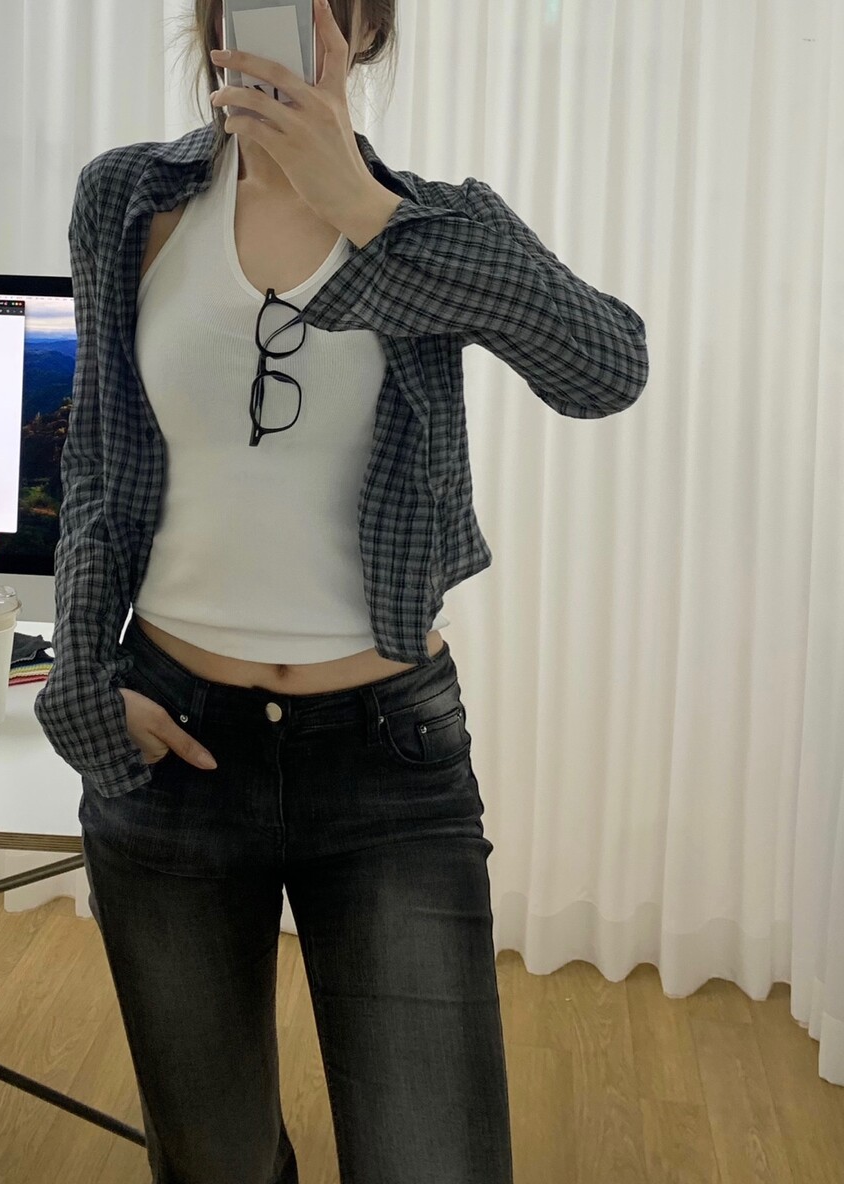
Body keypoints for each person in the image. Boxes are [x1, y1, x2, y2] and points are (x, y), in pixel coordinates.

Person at [33, 1, 649, 1181]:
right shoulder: (130, 201)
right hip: (173, 743)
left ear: (364, 30)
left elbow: (606, 369)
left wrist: (362, 207)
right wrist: (80, 682)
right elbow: (97, 465)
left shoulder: (430, 225)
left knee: (432, 1156)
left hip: (386, 757)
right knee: (212, 1158)